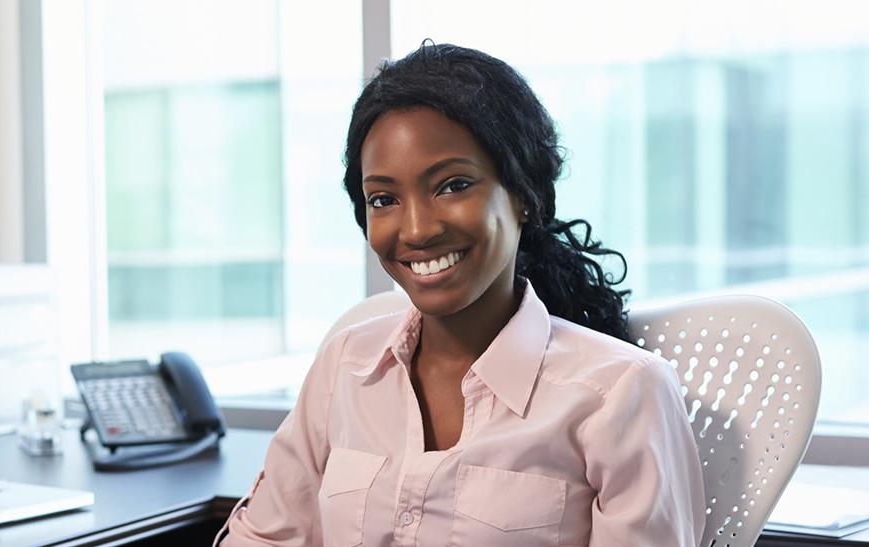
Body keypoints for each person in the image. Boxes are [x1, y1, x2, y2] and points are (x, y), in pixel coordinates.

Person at [216, 43, 704, 546]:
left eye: (452, 186)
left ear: (524, 196)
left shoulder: (619, 393)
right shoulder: (345, 364)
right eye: (383, 199)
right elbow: (265, 538)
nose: (417, 229)